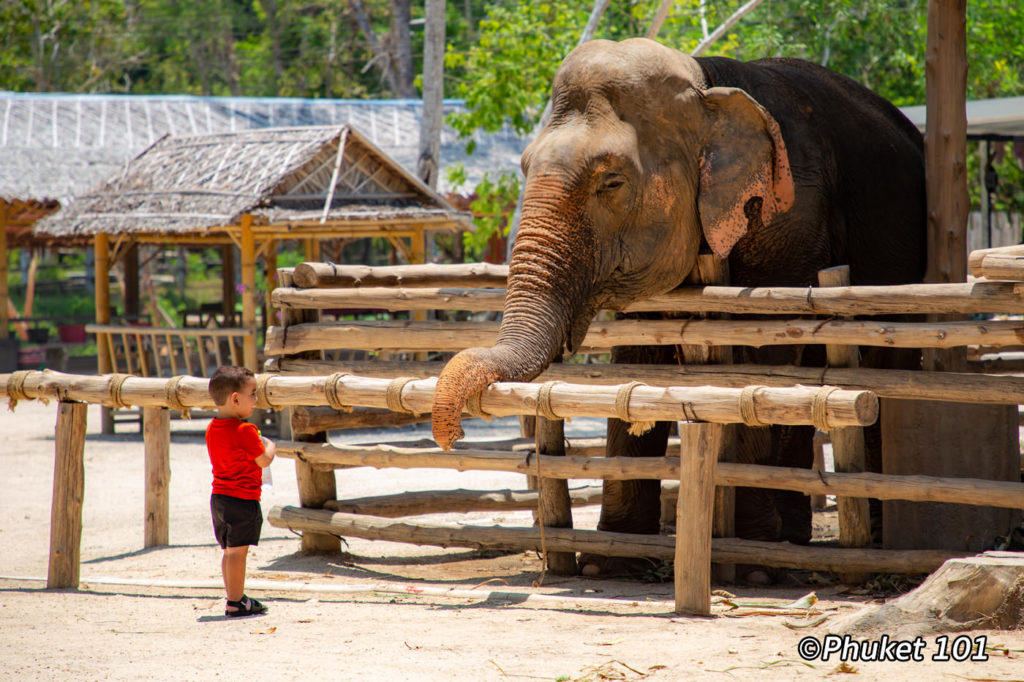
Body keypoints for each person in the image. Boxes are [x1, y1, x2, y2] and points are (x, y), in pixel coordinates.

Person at [206, 366, 276, 617]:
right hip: (242, 499)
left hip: (220, 499)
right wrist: (271, 445)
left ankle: (234, 596)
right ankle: (235, 601)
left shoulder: (213, 428)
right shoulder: (245, 430)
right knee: (238, 552)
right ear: (235, 399)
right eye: (253, 394)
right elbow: (263, 460)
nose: (256, 400)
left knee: (229, 551)